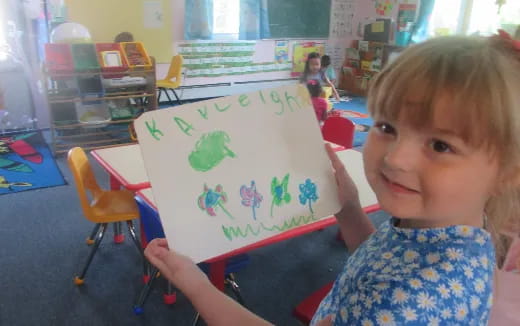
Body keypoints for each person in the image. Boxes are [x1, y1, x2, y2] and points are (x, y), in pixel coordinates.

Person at [145, 33, 520, 325]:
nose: (395, 157)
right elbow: (379, 258)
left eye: (440, 145)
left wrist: (193, 283)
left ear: (507, 174)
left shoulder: (407, 304)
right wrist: (349, 208)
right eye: (387, 126)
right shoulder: (445, 229)